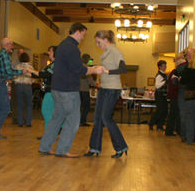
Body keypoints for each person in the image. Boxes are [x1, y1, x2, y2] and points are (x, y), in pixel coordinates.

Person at [38, 23, 106, 158]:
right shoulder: (72, 48)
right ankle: (62, 150)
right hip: (68, 90)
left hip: (57, 89)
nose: (83, 37)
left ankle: (45, 147)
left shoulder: (63, 45)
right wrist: (94, 69)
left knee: (57, 118)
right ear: (78, 32)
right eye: (83, 34)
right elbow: (79, 69)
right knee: (73, 120)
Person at [84, 30, 129, 158]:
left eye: (98, 42)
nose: (97, 45)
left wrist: (107, 71)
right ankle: (94, 148)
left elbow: (123, 69)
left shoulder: (115, 52)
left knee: (105, 118)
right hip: (104, 88)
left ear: (105, 39)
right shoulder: (105, 54)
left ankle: (121, 146)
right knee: (97, 118)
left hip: (112, 89)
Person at [0, 38, 29, 139]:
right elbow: (9, 72)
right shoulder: (5, 55)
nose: (13, 47)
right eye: (12, 45)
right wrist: (21, 72)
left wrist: (11, 76)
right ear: (7, 45)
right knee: (5, 108)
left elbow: (6, 72)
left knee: (2, 108)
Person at [35, 46, 57, 130]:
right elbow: (42, 73)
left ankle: (49, 133)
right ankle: (54, 130)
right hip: (51, 91)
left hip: (52, 91)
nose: (49, 53)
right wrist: (29, 73)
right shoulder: (52, 64)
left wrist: (31, 72)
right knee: (50, 112)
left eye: (50, 51)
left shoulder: (56, 64)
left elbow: (45, 74)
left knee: (46, 111)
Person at [13, 52, 36, 127]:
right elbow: (33, 78)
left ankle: (20, 122)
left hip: (19, 86)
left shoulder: (17, 66)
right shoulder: (30, 67)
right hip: (27, 86)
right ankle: (28, 122)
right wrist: (30, 82)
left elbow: (14, 76)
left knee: (20, 105)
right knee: (29, 105)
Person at [164, 57, 183, 136]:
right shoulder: (176, 72)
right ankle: (177, 130)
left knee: (172, 114)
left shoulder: (173, 72)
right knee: (176, 114)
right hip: (175, 96)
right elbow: (174, 83)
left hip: (173, 96)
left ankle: (170, 131)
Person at [149, 60, 168, 131]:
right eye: (164, 66)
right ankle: (151, 123)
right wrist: (165, 81)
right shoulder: (159, 75)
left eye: (165, 65)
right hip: (159, 95)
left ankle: (160, 125)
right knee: (160, 110)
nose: (165, 67)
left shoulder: (164, 74)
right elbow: (157, 85)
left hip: (163, 95)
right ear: (160, 67)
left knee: (165, 111)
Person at [79, 53, 96, 126]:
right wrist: (96, 84)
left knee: (78, 107)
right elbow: (90, 81)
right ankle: (82, 121)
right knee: (86, 107)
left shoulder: (78, 67)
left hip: (77, 90)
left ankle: (77, 121)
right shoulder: (87, 68)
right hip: (84, 90)